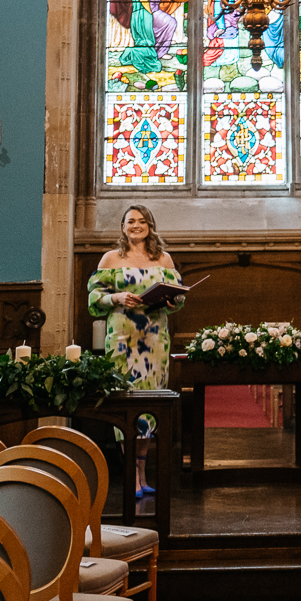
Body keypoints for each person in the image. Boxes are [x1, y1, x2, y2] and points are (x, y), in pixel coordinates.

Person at [88, 204, 187, 495]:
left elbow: (179, 298)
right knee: (124, 403)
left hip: (154, 338)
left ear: (150, 226)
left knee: (150, 405)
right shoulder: (111, 259)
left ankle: (143, 473)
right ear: (122, 227)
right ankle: (131, 476)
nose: (136, 225)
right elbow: (94, 298)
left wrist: (172, 302)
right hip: (123, 338)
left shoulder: (164, 259)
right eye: (130, 221)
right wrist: (117, 296)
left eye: (142, 221)